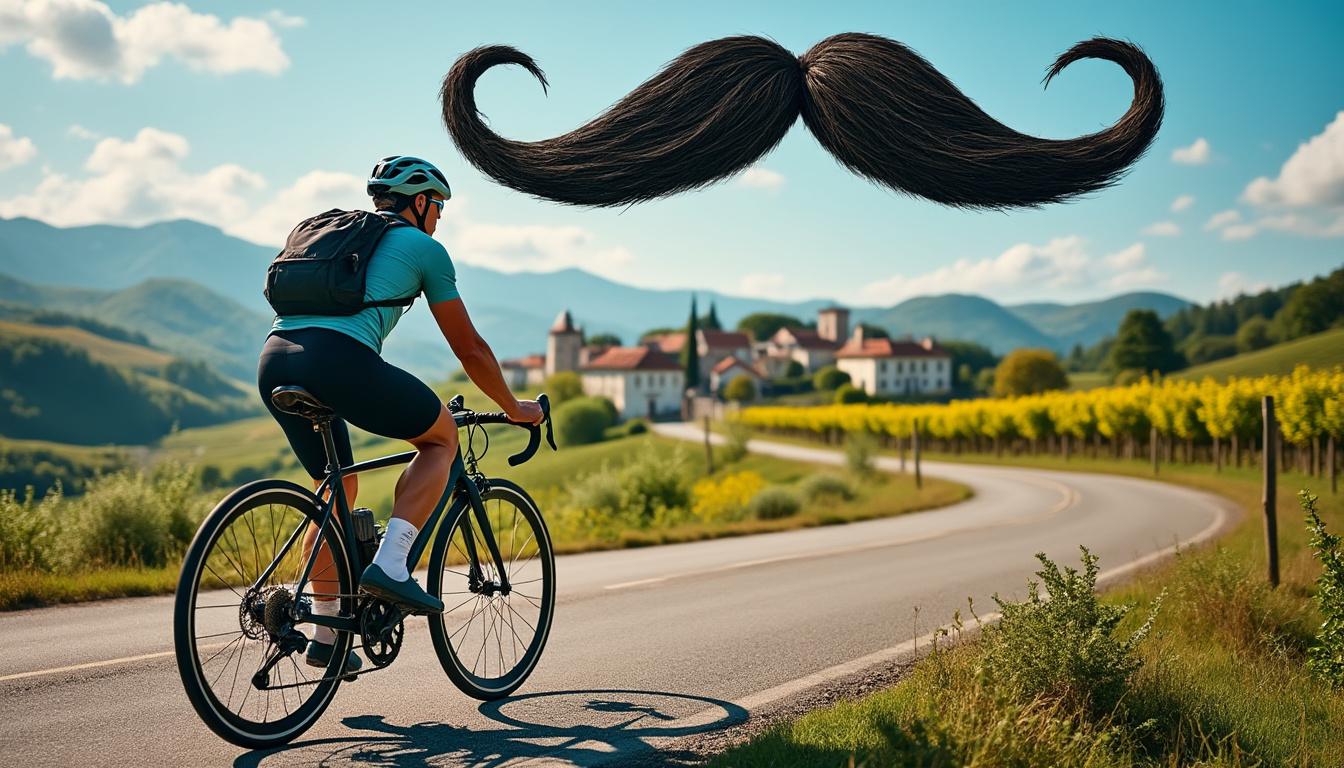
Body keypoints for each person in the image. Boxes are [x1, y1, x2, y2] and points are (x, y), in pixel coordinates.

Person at [257, 155, 543, 673]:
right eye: (438, 207)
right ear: (419, 202)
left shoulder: (338, 236)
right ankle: (391, 563)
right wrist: (513, 407)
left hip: (275, 358)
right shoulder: (423, 248)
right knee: (439, 439)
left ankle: (326, 633)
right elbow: (470, 349)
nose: (439, 217)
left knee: (337, 488)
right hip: (339, 361)